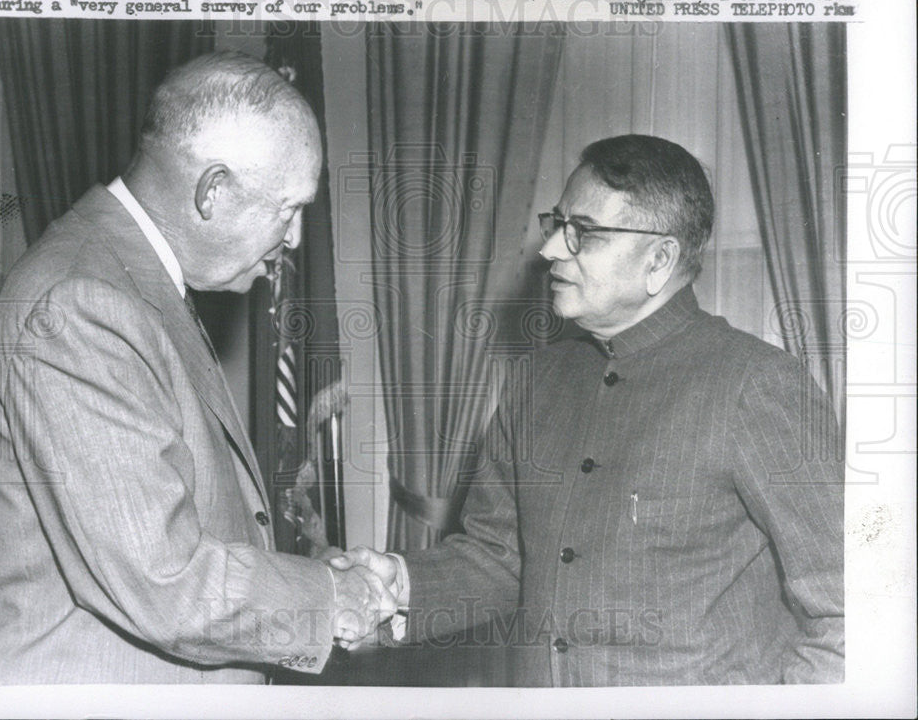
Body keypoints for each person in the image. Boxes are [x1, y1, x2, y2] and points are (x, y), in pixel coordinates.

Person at [331, 134, 844, 686]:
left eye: (584, 234)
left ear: (660, 259)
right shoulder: (535, 382)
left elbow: (850, 611)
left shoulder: (757, 384)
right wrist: (403, 580)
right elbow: (501, 558)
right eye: (557, 224)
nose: (550, 249)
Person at [0, 51, 395, 684]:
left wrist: (309, 573)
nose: (296, 238)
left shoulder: (130, 277)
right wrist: (331, 597)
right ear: (213, 191)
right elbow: (164, 580)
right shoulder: (80, 304)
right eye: (289, 209)